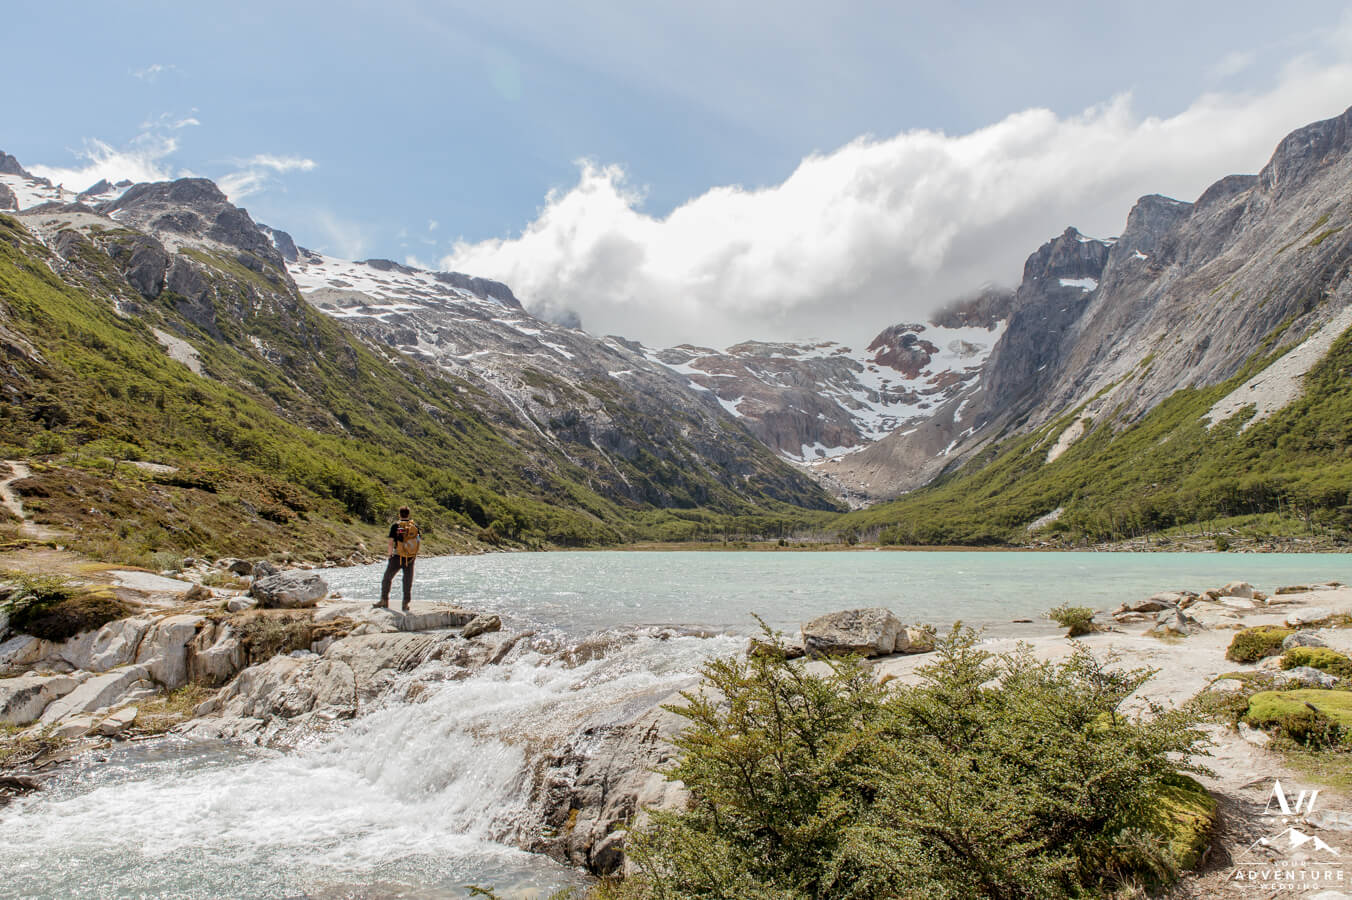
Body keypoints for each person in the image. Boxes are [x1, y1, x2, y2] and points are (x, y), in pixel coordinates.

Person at [375, 506, 421, 611]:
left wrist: (389, 555)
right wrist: (413, 554)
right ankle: (405, 603)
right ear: (409, 514)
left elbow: (391, 542)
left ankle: (384, 600)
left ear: (399, 514)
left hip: (397, 556)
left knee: (387, 578)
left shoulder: (396, 526)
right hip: (410, 557)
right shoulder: (414, 526)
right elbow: (418, 541)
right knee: (407, 581)